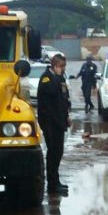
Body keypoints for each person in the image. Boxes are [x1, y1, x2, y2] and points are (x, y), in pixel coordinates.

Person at [37, 54, 72, 193]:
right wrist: (57, 77)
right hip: (49, 121)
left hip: (59, 120)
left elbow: (64, 98)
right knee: (52, 152)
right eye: (61, 66)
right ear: (54, 65)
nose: (63, 69)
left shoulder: (60, 79)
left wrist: (67, 116)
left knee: (59, 151)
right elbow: (51, 91)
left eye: (64, 67)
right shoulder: (46, 78)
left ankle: (56, 181)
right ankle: (51, 184)